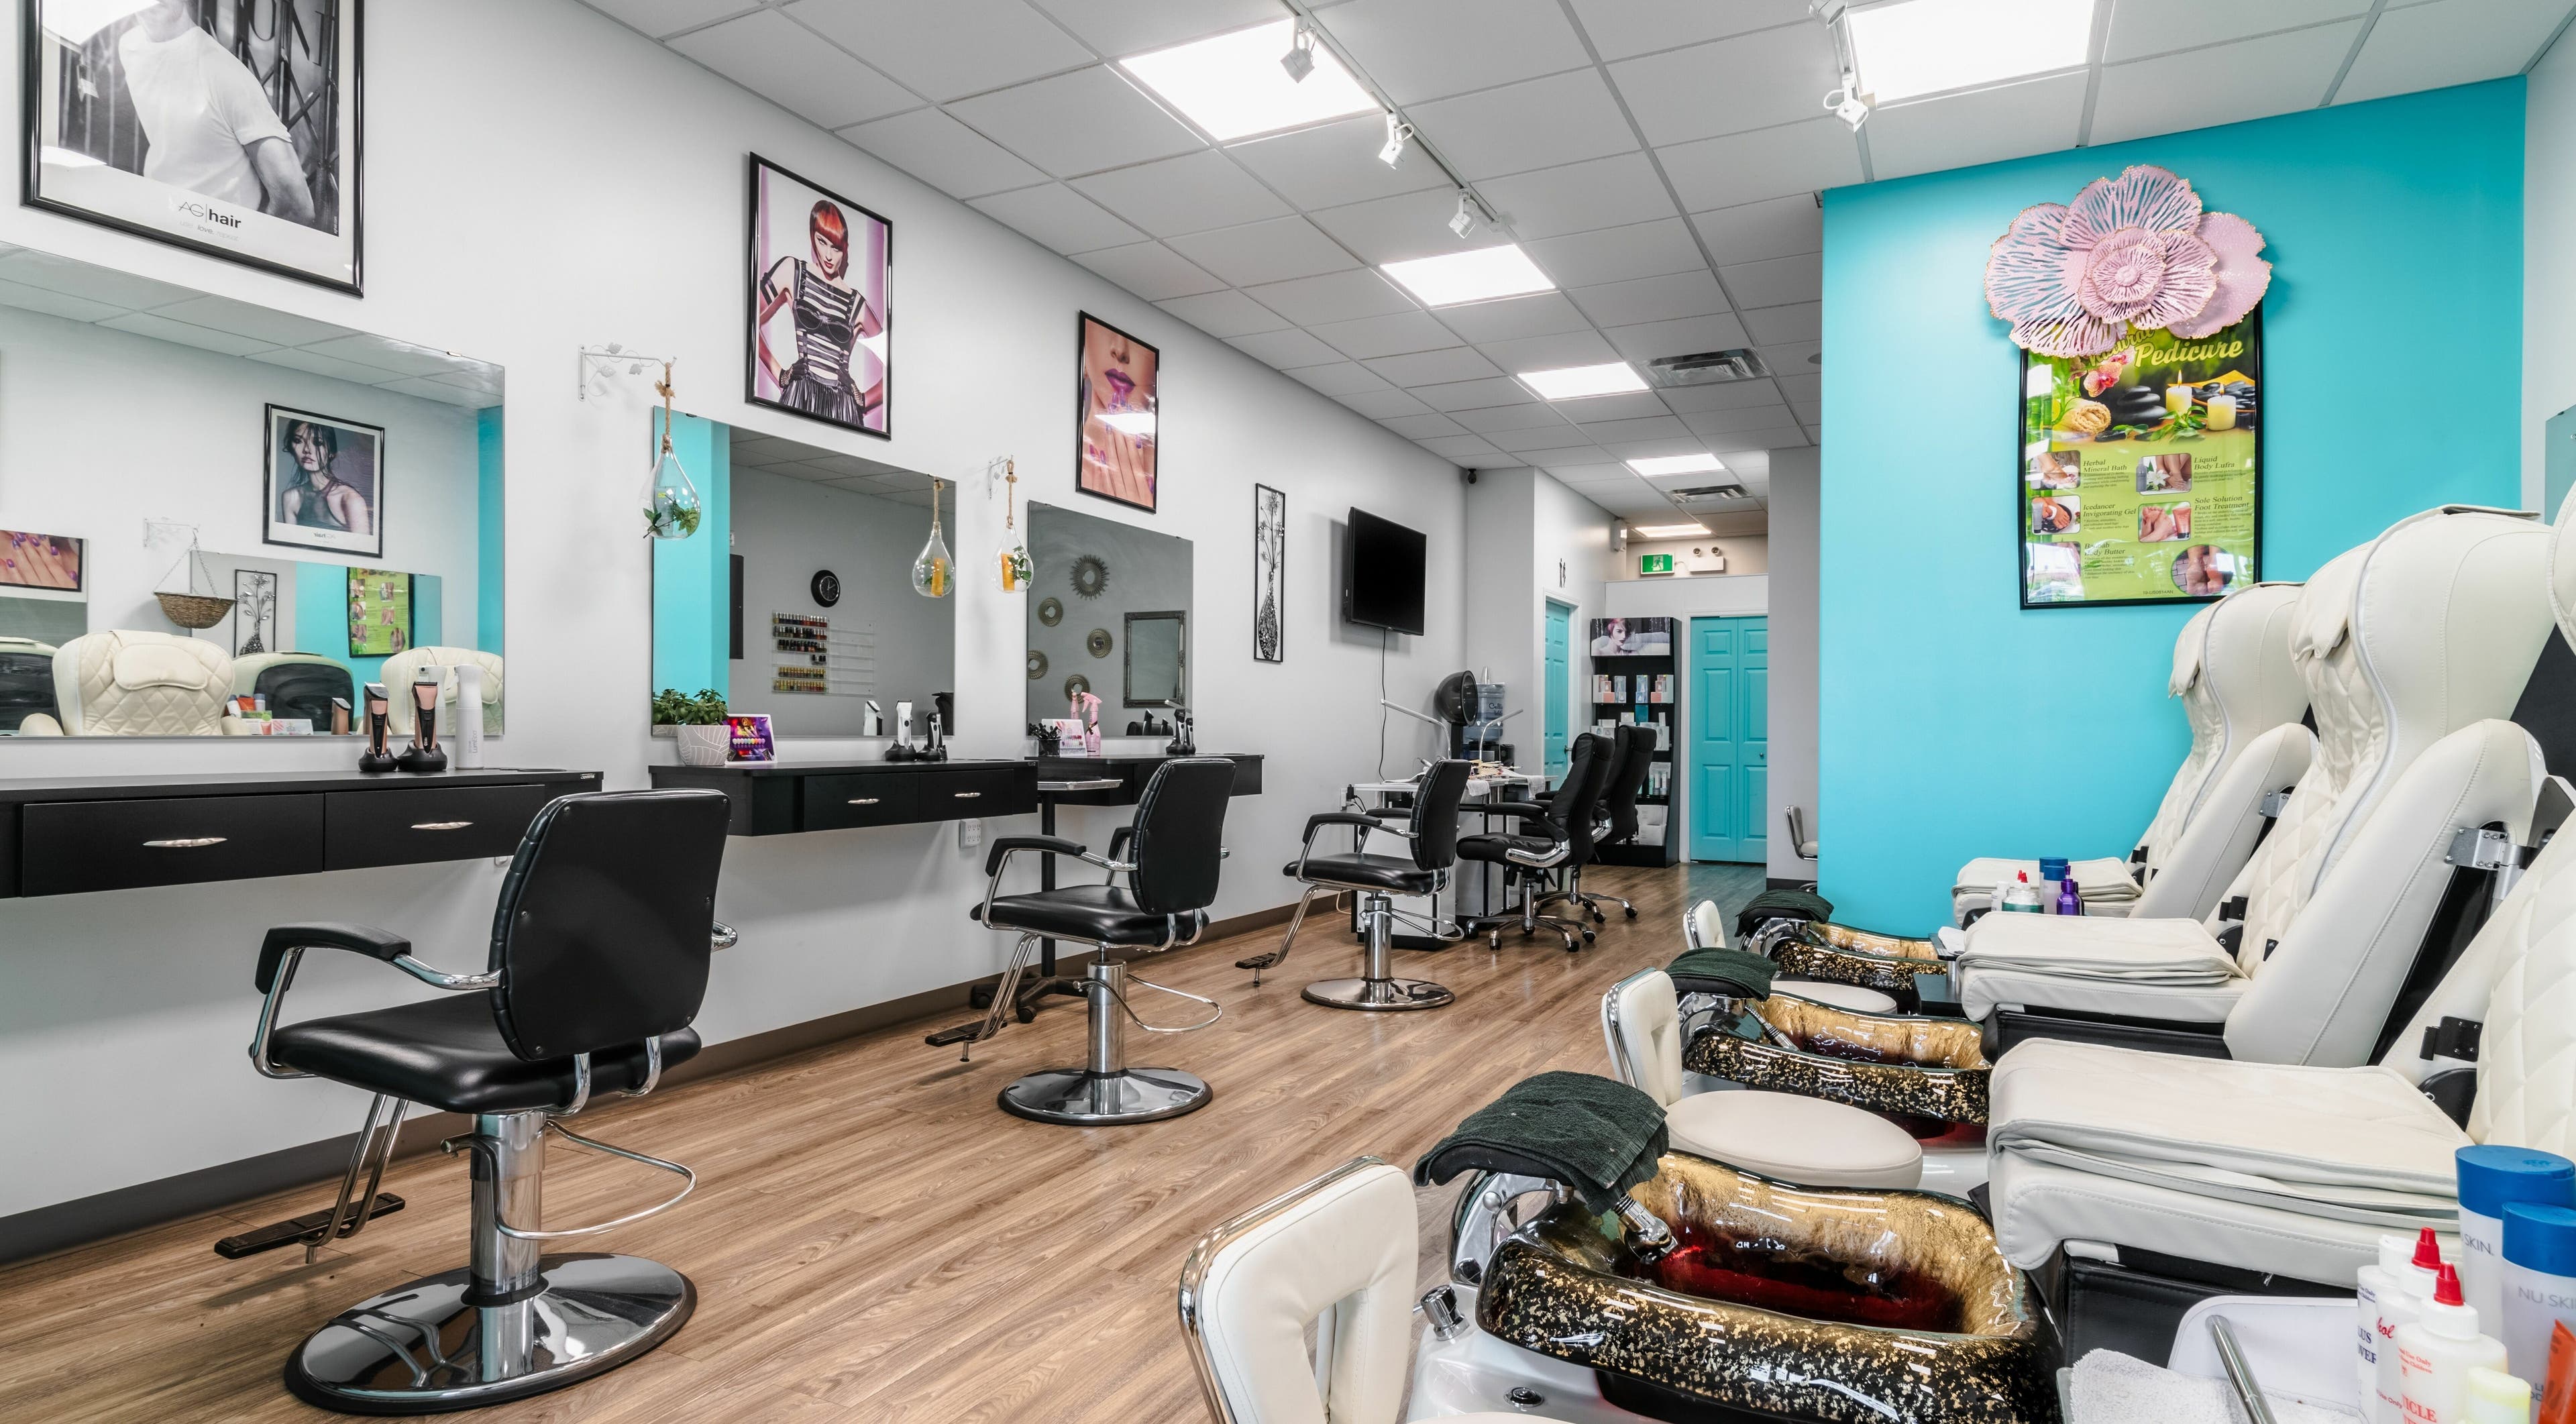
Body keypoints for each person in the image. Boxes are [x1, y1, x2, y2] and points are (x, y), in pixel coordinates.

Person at [117, 1, 315, 225]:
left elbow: (296, 206)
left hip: (210, 237)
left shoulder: (222, 73)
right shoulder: (130, 46)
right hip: (155, 218)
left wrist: (239, 247)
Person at [757, 200, 883, 426]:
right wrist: (780, 374)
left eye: (835, 247)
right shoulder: (793, 271)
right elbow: (747, 318)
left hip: (842, 407)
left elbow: (892, 367)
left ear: (844, 249)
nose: (828, 255)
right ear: (812, 237)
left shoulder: (857, 304)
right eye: (822, 242)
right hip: (800, 394)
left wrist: (863, 399)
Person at [278, 420, 370, 536]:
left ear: (332, 453)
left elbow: (363, 550)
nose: (307, 449)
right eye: (298, 441)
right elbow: (288, 548)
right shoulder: (291, 497)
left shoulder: (350, 499)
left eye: (317, 442)